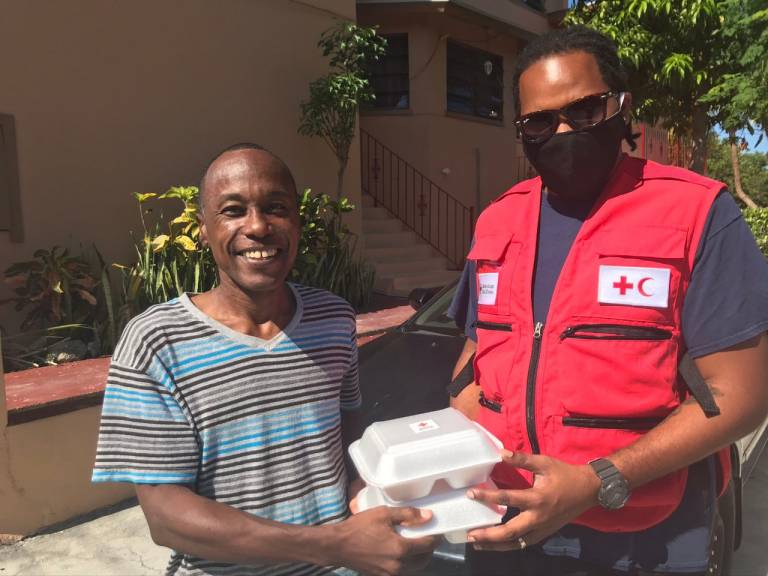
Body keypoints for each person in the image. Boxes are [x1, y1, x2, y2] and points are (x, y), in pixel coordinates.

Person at [447, 26, 768, 575]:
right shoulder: (498, 219)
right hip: (510, 521)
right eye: (541, 121)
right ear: (522, 132)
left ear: (622, 109)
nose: (564, 130)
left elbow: (743, 394)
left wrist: (599, 480)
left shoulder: (698, 213)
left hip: (647, 536)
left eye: (586, 110)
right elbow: (478, 356)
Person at [92, 144, 437, 576]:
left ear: (297, 220)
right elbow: (166, 516)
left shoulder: (333, 317)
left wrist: (369, 487)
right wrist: (334, 545)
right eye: (233, 210)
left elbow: (346, 428)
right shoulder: (157, 341)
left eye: (276, 207)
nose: (257, 226)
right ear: (203, 228)